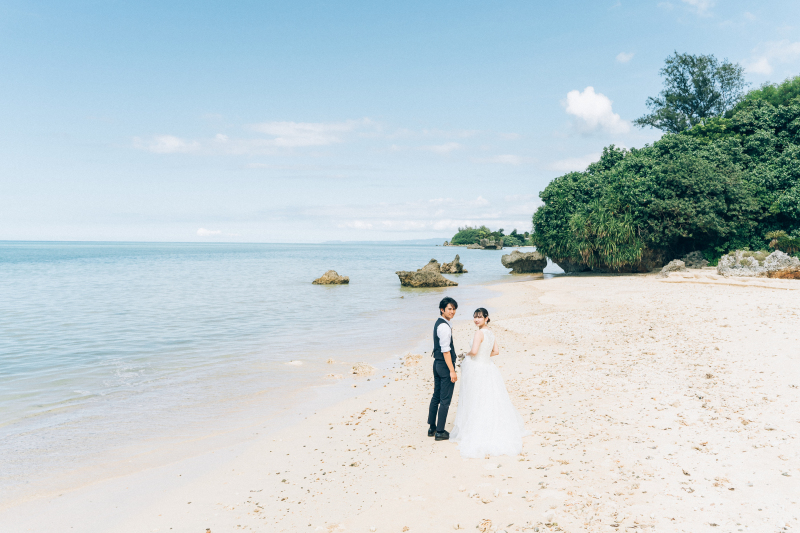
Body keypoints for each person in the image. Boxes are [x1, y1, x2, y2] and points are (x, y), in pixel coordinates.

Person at [450, 308, 528, 457]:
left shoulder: (479, 333)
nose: (476, 319)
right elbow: (496, 351)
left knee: (477, 398)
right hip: (489, 367)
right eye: (474, 317)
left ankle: (477, 428)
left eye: (479, 317)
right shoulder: (490, 333)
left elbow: (473, 352)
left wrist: (466, 355)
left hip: (478, 368)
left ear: (486, 318)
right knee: (491, 397)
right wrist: (484, 355)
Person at [427, 296, 458, 441]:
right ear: (442, 310)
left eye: (454, 309)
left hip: (437, 364)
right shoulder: (444, 327)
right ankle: (440, 431)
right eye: (449, 309)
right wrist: (452, 370)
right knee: (445, 399)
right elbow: (446, 351)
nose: (452, 312)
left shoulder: (439, 323)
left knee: (436, 396)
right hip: (444, 366)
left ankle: (432, 427)